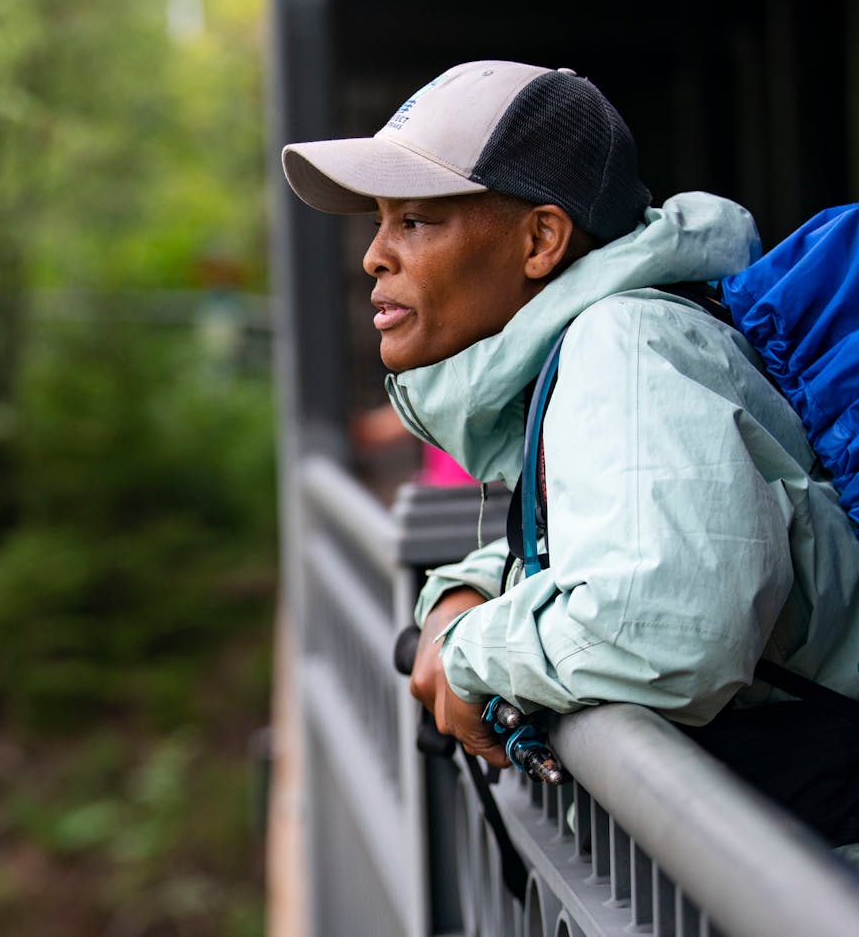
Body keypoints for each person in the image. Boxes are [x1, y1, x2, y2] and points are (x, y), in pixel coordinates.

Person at [281, 60, 859, 839]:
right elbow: (611, 539)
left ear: (542, 239)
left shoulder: (625, 343)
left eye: (414, 221)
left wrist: (465, 650)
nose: (374, 256)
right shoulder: (625, 339)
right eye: (380, 221)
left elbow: (668, 628)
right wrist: (465, 587)